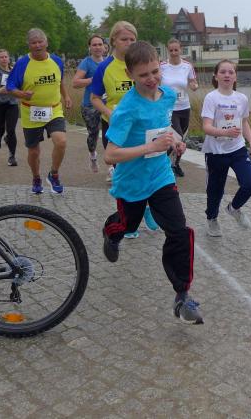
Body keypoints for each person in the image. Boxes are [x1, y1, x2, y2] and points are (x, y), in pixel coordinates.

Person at [101, 41, 203, 324]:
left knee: (179, 230)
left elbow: (164, 127)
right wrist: (151, 147)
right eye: (143, 74)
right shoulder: (127, 109)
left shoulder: (168, 95)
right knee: (127, 225)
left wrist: (176, 141)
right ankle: (111, 233)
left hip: (160, 176)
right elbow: (110, 154)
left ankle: (182, 296)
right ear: (130, 74)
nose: (151, 79)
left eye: (155, 71)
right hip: (132, 183)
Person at [6, 28, 72, 194]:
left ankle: (54, 174)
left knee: (61, 142)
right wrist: (22, 94)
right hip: (31, 112)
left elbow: (60, 81)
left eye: (40, 42)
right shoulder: (22, 63)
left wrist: (66, 96)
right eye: (33, 43)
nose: (37, 45)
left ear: (46, 42)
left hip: (54, 109)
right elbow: (10, 87)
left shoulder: (57, 61)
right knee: (34, 151)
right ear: (28, 45)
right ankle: (36, 177)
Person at [201, 60, 251, 237]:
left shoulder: (242, 98)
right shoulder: (211, 98)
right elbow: (206, 127)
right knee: (215, 190)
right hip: (216, 151)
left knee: (250, 183)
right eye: (223, 72)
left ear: (235, 77)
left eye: (231, 72)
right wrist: (224, 132)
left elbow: (244, 122)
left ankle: (234, 208)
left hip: (237, 148)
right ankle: (212, 219)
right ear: (215, 76)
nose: (227, 75)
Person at [90, 21, 137, 183]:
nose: (129, 43)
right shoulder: (104, 67)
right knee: (122, 173)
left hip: (138, 124)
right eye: (124, 39)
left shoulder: (140, 63)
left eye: (132, 39)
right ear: (113, 41)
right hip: (114, 125)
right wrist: (109, 113)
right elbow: (94, 98)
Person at [160, 38, 198, 177]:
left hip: (184, 106)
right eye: (171, 50)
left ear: (180, 49)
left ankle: (176, 164)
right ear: (168, 50)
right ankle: (162, 164)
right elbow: (156, 82)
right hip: (169, 108)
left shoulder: (187, 66)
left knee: (182, 138)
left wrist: (194, 86)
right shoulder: (162, 66)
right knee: (176, 136)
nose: (174, 53)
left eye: (176, 50)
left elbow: (193, 81)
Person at [72, 34, 105, 173]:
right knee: (93, 134)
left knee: (110, 133)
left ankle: (112, 167)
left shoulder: (108, 62)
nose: (97, 47)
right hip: (90, 105)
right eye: (94, 45)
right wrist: (93, 79)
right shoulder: (86, 62)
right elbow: (75, 83)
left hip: (107, 104)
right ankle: (93, 156)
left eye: (100, 44)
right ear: (89, 47)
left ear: (104, 47)